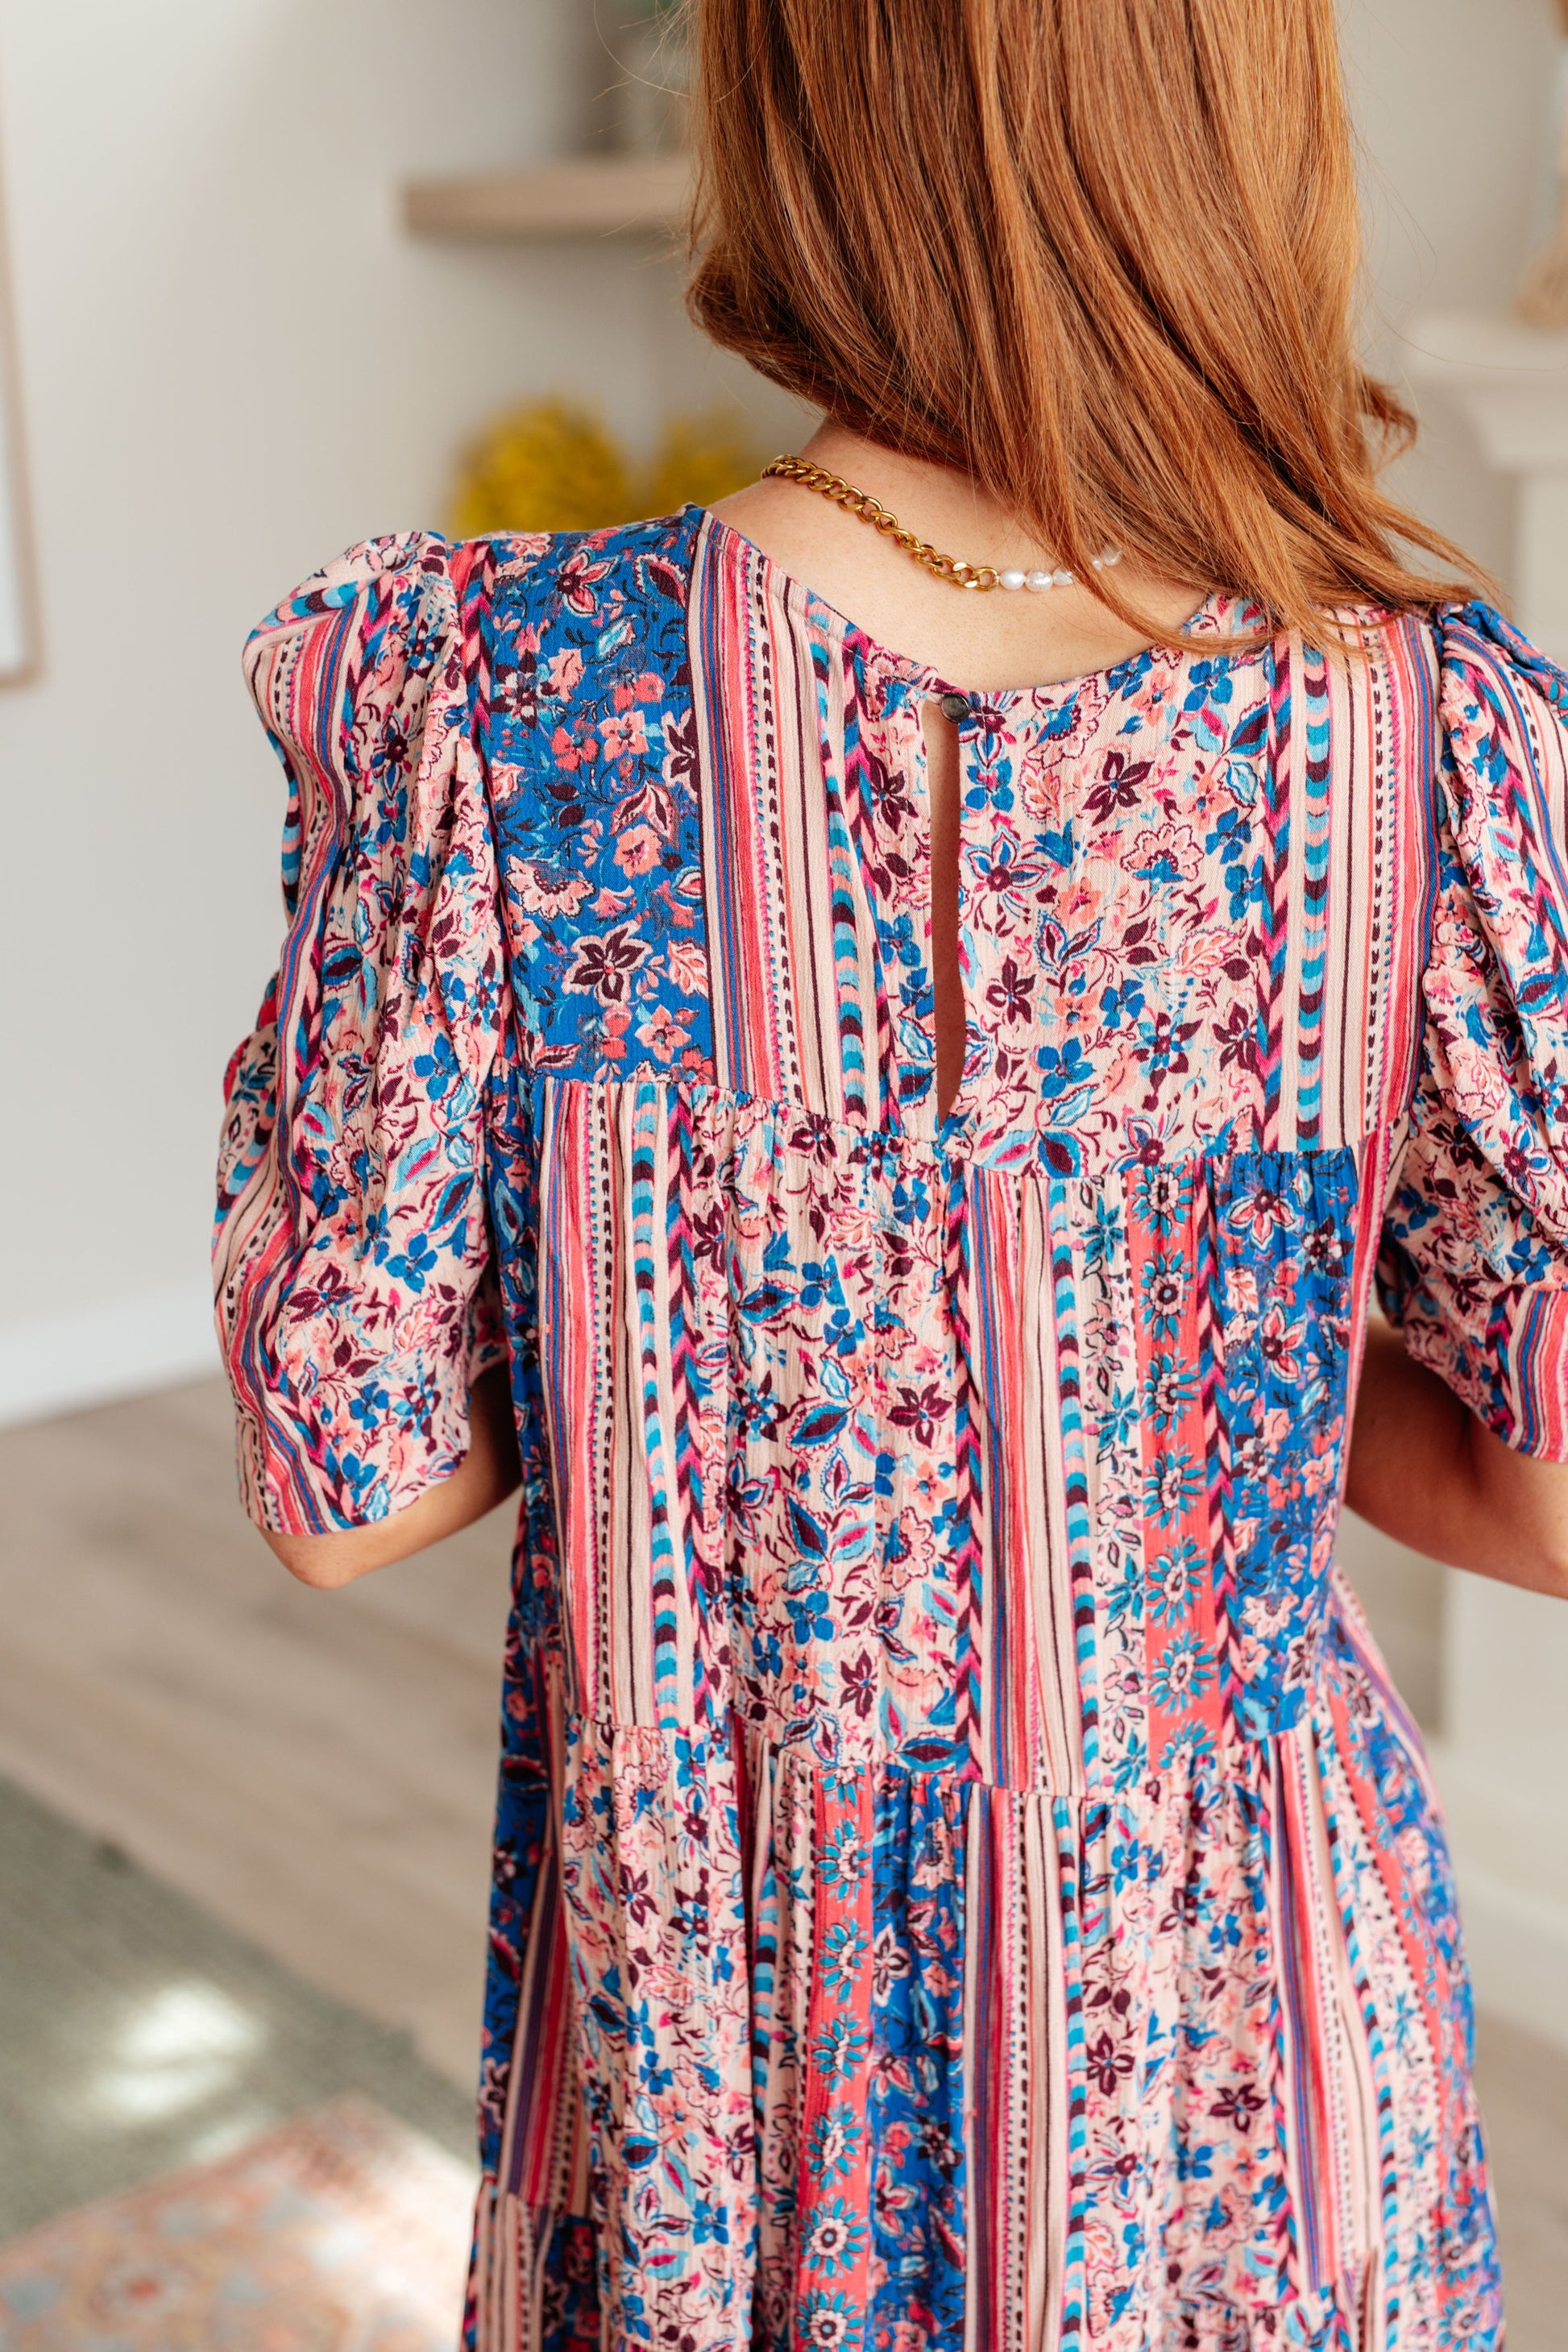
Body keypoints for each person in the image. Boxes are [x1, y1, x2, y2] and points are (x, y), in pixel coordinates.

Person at [213, 2, 1568, 2345]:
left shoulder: (493, 698)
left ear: (784, 113)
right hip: (1239, 2027)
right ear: (1250, 133)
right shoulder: (1428, 735)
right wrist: (1159, 1356)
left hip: (727, 2053)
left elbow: (343, 1481)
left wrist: (717, 1325)